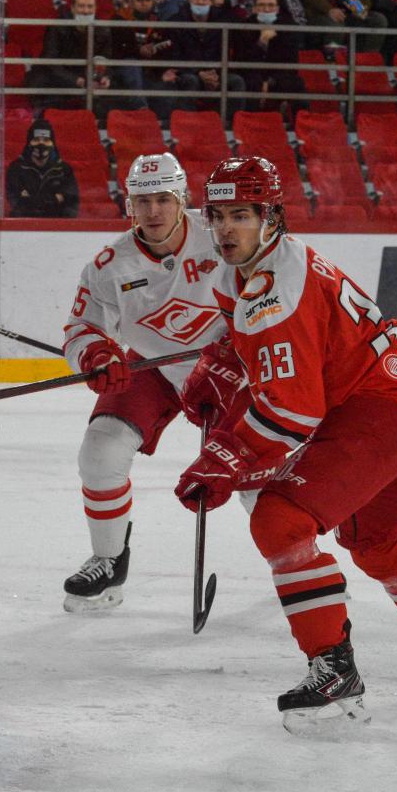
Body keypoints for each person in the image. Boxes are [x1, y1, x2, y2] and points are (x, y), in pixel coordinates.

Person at [174, 156, 397, 734]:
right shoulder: (252, 270)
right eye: (218, 216)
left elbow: (291, 411)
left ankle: (334, 670)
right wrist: (223, 359)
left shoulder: (275, 291)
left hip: (376, 408)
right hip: (389, 399)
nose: (226, 229)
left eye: (242, 216)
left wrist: (226, 454)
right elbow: (271, 348)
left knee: (280, 519)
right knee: (377, 544)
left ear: (271, 217)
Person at [60, 154, 246, 612]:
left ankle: (296, 560)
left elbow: (273, 290)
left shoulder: (221, 235)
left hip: (228, 369)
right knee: (100, 451)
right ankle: (109, 560)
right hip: (153, 365)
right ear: (129, 205)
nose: (153, 211)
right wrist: (97, 353)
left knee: (259, 475)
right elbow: (82, 327)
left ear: (182, 200)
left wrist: (247, 339)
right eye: (143, 201)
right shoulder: (108, 265)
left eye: (163, 199)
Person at [26, 0, 113, 113]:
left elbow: (105, 58)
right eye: (81, 6)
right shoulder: (57, 27)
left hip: (83, 76)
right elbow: (50, 61)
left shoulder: (103, 30)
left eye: (90, 6)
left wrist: (104, 77)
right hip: (56, 77)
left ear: (95, 8)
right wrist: (77, 80)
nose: (86, 11)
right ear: (72, 8)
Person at [168, 0, 247, 116]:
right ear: (189, 0)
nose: (200, 2)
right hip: (188, 72)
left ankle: (228, 124)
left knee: (236, 81)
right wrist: (198, 72)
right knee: (190, 80)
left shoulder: (224, 19)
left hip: (217, 72)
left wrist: (215, 74)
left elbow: (240, 38)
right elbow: (175, 56)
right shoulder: (177, 21)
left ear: (212, 1)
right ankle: (187, 122)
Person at [114, 0, 181, 121]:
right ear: (131, 1)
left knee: (167, 97)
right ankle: (142, 111)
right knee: (131, 64)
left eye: (147, 0)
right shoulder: (118, 19)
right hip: (123, 71)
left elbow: (166, 51)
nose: (144, 4)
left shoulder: (159, 22)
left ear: (153, 1)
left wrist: (163, 72)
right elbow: (117, 50)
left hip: (150, 72)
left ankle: (161, 128)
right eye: (139, 0)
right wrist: (138, 51)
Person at [230, 0, 306, 113]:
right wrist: (261, 42)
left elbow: (291, 63)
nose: (266, 9)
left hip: (278, 76)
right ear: (254, 9)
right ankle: (250, 120)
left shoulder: (288, 27)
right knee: (252, 83)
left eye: (271, 5)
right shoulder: (244, 27)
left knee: (297, 83)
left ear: (277, 9)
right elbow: (241, 60)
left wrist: (268, 81)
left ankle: (300, 121)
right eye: (261, 5)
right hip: (251, 75)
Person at [7, 119, 80, 218]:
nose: (41, 144)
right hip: (25, 225)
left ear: (52, 143)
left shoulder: (64, 170)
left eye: (46, 140)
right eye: (36, 140)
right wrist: (54, 199)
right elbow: (16, 205)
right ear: (29, 143)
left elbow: (71, 207)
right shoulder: (16, 169)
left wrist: (30, 199)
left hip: (56, 225)